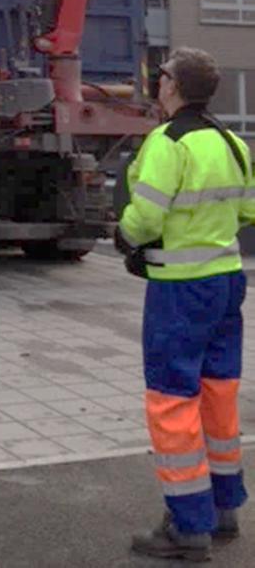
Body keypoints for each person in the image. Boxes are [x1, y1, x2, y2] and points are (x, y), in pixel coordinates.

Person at [115, 47, 254, 561]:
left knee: (173, 400)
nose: (158, 83)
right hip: (225, 282)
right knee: (218, 394)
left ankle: (188, 527)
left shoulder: (168, 142)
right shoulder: (232, 142)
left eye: (163, 76)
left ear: (173, 86)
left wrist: (125, 237)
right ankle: (223, 511)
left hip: (179, 289)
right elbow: (246, 209)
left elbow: (146, 218)